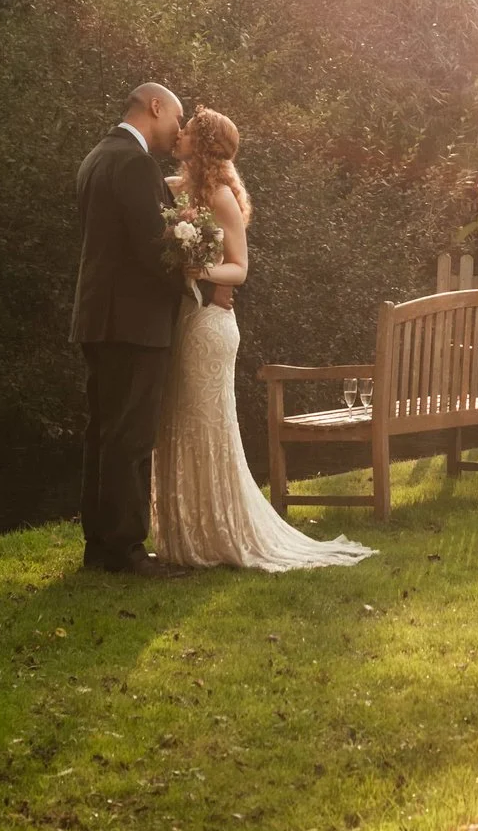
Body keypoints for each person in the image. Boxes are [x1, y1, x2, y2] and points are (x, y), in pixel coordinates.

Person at [150, 107, 374, 571]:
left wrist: (198, 268)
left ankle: (218, 534)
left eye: (188, 129)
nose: (180, 133)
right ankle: (187, 533)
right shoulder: (184, 189)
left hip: (211, 322)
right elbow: (153, 193)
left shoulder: (220, 196)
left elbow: (240, 268)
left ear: (204, 142)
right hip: (187, 318)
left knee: (205, 425)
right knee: (178, 420)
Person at [70, 83, 189, 576]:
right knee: (131, 437)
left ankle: (99, 544)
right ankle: (126, 549)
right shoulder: (136, 164)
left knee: (101, 432)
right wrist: (193, 280)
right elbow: (154, 249)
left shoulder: (95, 157)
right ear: (154, 107)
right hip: (134, 321)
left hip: (98, 317)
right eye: (175, 121)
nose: (176, 133)